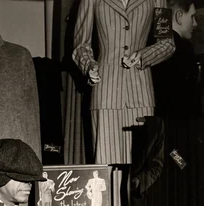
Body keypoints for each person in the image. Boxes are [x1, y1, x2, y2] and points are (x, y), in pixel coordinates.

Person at [72, 0, 175, 166]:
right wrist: (89, 65)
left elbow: (167, 43)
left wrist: (143, 56)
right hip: (105, 91)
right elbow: (81, 45)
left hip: (141, 92)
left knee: (142, 168)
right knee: (106, 166)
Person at [153, 0, 200, 118]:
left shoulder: (151, 46)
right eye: (192, 16)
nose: (195, 24)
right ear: (179, 16)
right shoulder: (184, 48)